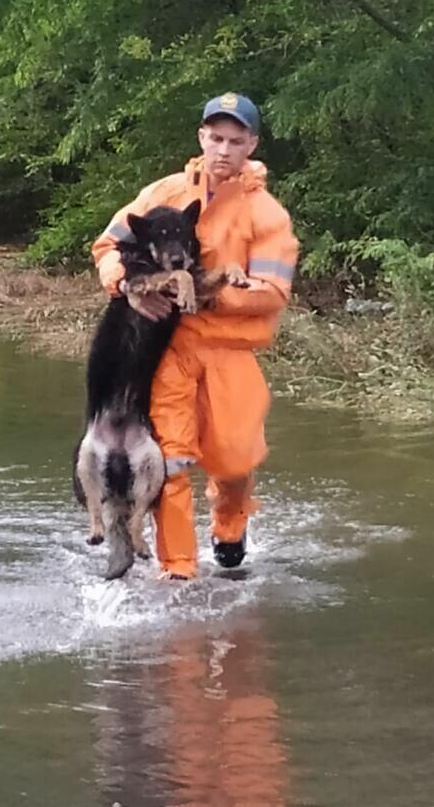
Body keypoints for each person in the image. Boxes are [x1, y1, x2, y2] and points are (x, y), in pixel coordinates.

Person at [91, 93, 299, 580]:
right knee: (171, 461)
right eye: (215, 138)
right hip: (168, 351)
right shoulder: (160, 194)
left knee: (233, 460)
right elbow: (107, 246)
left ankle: (230, 521)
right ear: (201, 137)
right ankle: (178, 568)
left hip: (229, 351)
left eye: (235, 140)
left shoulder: (267, 214)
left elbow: (272, 292)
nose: (223, 149)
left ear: (252, 144)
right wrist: (126, 287)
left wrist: (212, 295)